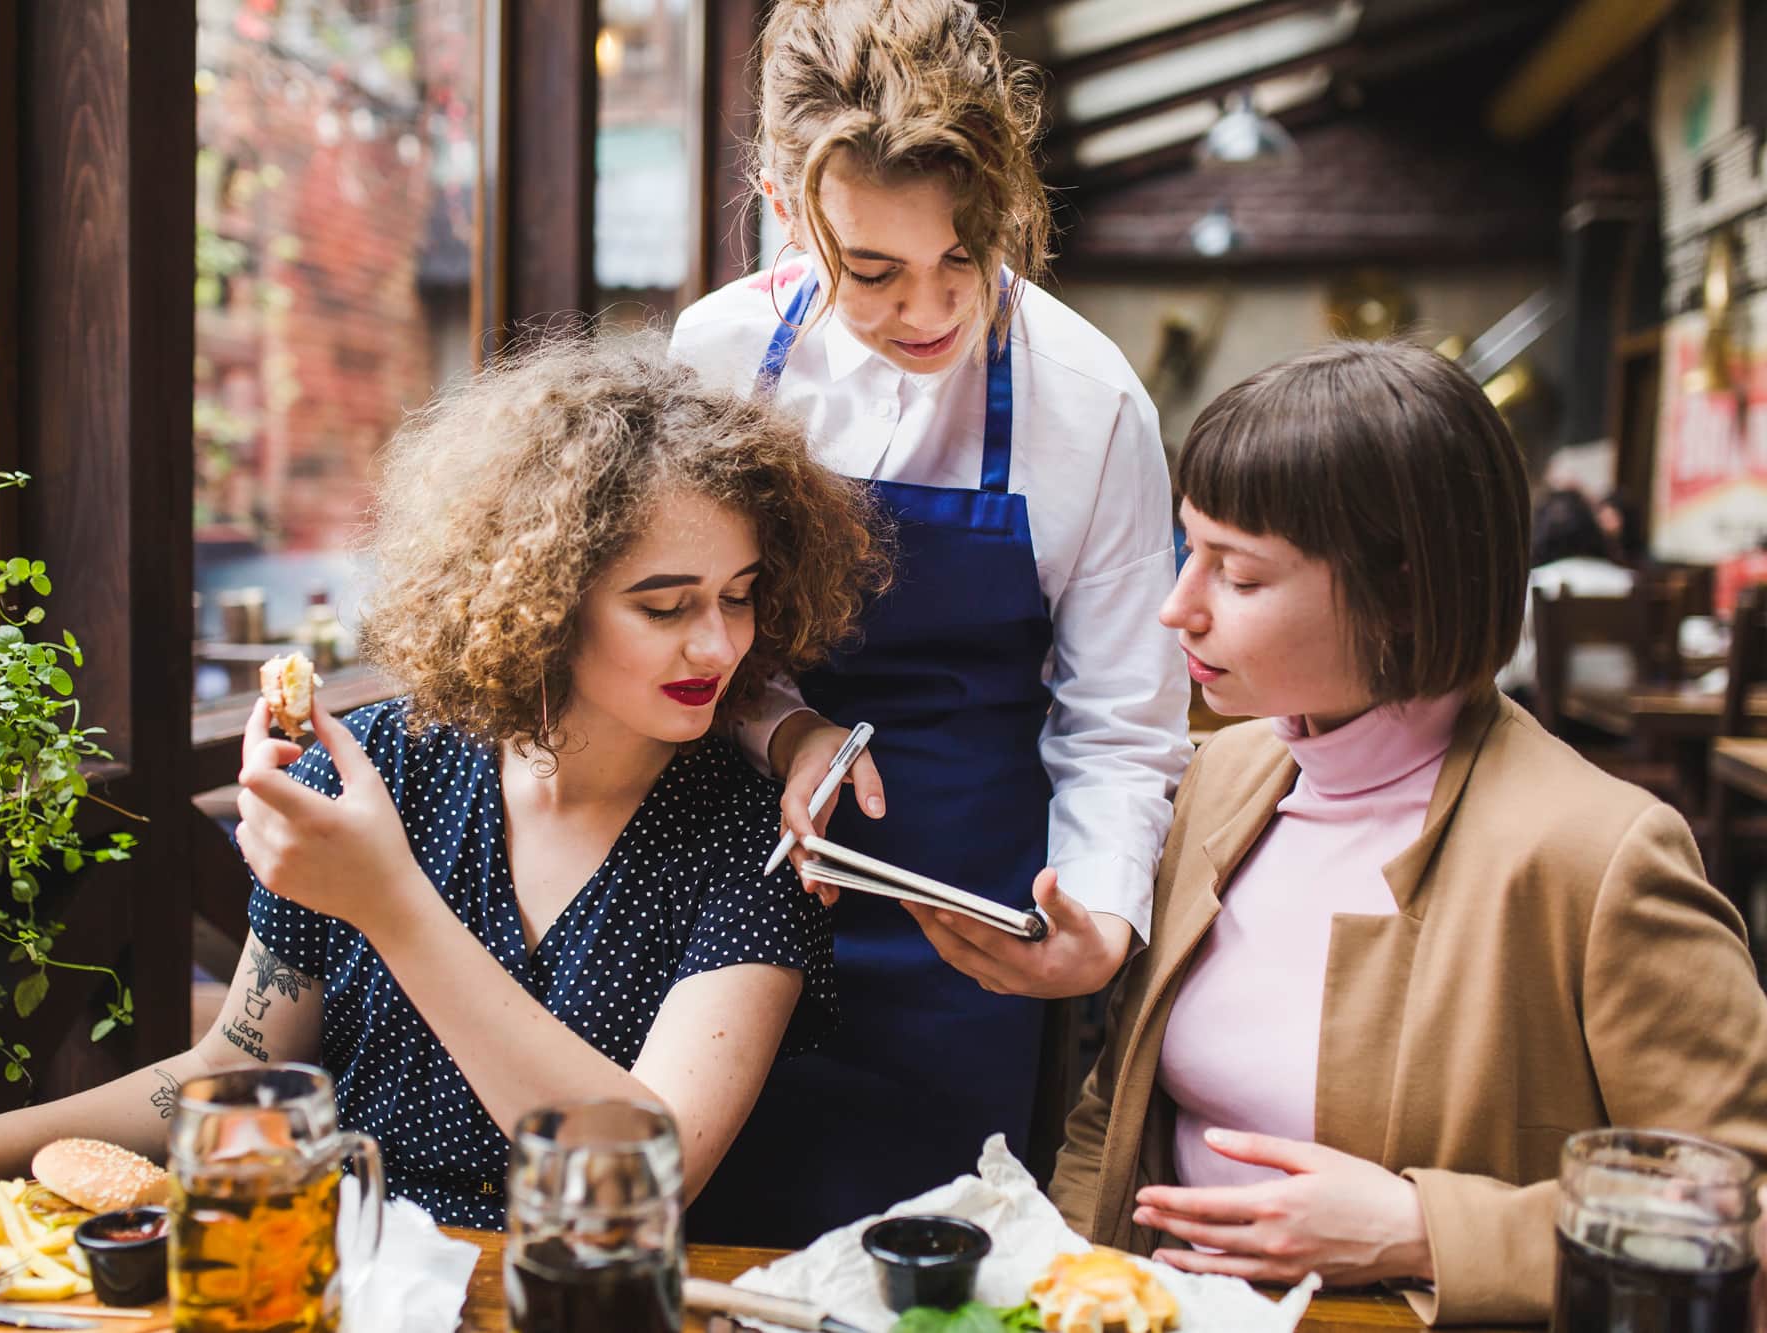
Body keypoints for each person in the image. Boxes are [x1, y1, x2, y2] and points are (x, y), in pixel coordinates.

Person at [0, 335, 889, 1226]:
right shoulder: (390, 762)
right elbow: (233, 1063)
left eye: (737, 595)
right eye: (663, 604)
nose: (717, 646)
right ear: (545, 599)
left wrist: (387, 903)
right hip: (323, 1276)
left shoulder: (756, 840)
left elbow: (647, 1175)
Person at [1048, 340, 1767, 1325]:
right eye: (1188, 551)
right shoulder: (1218, 778)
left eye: (1240, 577)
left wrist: (1424, 1229)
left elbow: (1744, 1214)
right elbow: (1113, 1110)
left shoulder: (1596, 857)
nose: (1180, 608)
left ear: (1398, 590)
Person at [671, 0, 1191, 1242]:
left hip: (968, 947)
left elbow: (1122, 728)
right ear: (785, 210)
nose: (931, 309)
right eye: (875, 271)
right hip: (717, 904)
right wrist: (787, 732)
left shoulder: (1091, 402)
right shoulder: (719, 353)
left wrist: (1100, 929)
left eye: (965, 255)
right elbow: (673, 632)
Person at [1495, 487, 1635, 698]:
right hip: (1624, 712)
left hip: (1550, 715)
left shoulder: (1535, 583)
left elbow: (1511, 671)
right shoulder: (1630, 581)